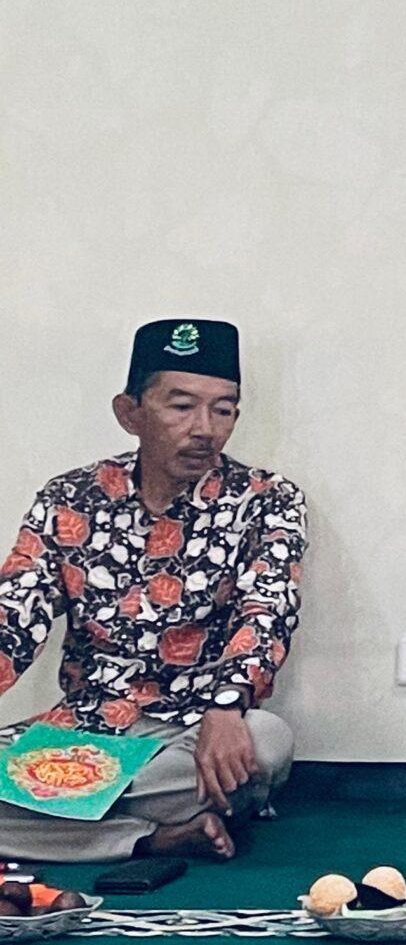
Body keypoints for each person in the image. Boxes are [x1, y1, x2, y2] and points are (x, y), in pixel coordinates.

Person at [0, 320, 304, 862]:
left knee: (266, 743)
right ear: (130, 413)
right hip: (80, 737)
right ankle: (146, 838)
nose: (205, 428)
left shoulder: (267, 499)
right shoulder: (69, 498)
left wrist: (227, 705)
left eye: (223, 410)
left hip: (194, 735)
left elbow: (267, 610)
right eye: (181, 406)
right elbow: (14, 616)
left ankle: (66, 818)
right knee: (45, 772)